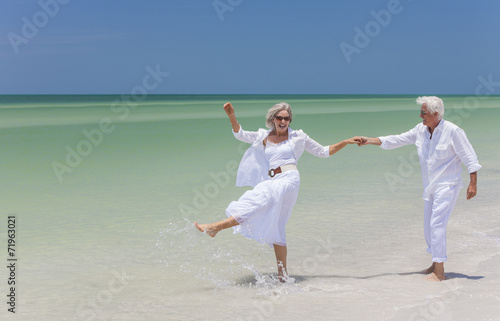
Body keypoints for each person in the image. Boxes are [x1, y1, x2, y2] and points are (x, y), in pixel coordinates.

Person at [195, 102, 361, 281]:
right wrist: (231, 115)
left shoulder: (298, 136)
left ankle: (215, 227)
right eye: (279, 117)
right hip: (274, 179)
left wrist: (346, 141)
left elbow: (323, 151)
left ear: (290, 120)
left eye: (287, 118)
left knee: (257, 200)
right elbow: (240, 134)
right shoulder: (263, 136)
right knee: (277, 226)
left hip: (290, 179)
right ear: (273, 119)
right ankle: (283, 275)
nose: (283, 121)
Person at [359, 96, 481, 281]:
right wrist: (369, 140)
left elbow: (470, 158)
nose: (420, 115)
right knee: (428, 226)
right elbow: (397, 139)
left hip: (448, 185)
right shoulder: (420, 130)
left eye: (424, 112)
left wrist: (473, 183)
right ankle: (434, 262)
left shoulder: (453, 131)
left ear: (435, 114)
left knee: (436, 224)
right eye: (421, 112)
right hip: (430, 187)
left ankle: (439, 272)